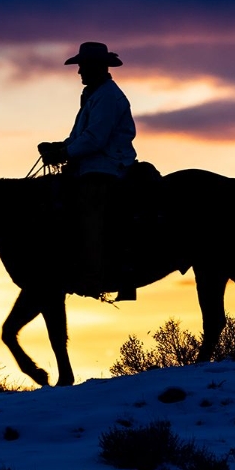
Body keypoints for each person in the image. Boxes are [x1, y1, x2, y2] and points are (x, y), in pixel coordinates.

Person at [38, 42, 138, 298]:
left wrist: (63, 153)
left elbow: (95, 139)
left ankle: (92, 278)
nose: (79, 72)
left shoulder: (106, 97)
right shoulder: (96, 95)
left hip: (106, 165)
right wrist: (61, 146)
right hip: (94, 163)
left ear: (96, 67)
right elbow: (81, 137)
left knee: (88, 211)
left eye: (83, 66)